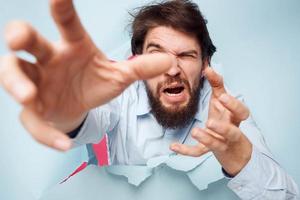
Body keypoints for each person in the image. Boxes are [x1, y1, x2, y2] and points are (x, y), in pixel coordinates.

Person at [0, 0, 298, 199]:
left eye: (186, 55)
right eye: (157, 56)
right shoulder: (121, 95)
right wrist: (69, 108)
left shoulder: (227, 109)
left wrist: (239, 157)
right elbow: (89, 121)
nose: (172, 69)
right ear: (139, 60)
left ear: (205, 63)